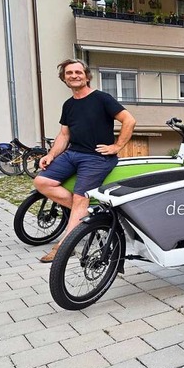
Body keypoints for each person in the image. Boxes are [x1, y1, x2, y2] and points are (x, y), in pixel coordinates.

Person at [34, 58, 136, 263]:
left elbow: (129, 120)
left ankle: (64, 246)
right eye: (69, 73)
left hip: (97, 157)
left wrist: (117, 147)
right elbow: (64, 135)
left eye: (78, 72)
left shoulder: (102, 98)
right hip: (73, 154)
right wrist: (51, 155)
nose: (74, 76)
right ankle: (87, 212)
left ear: (86, 76)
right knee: (41, 182)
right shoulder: (69, 105)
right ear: (64, 78)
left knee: (81, 197)